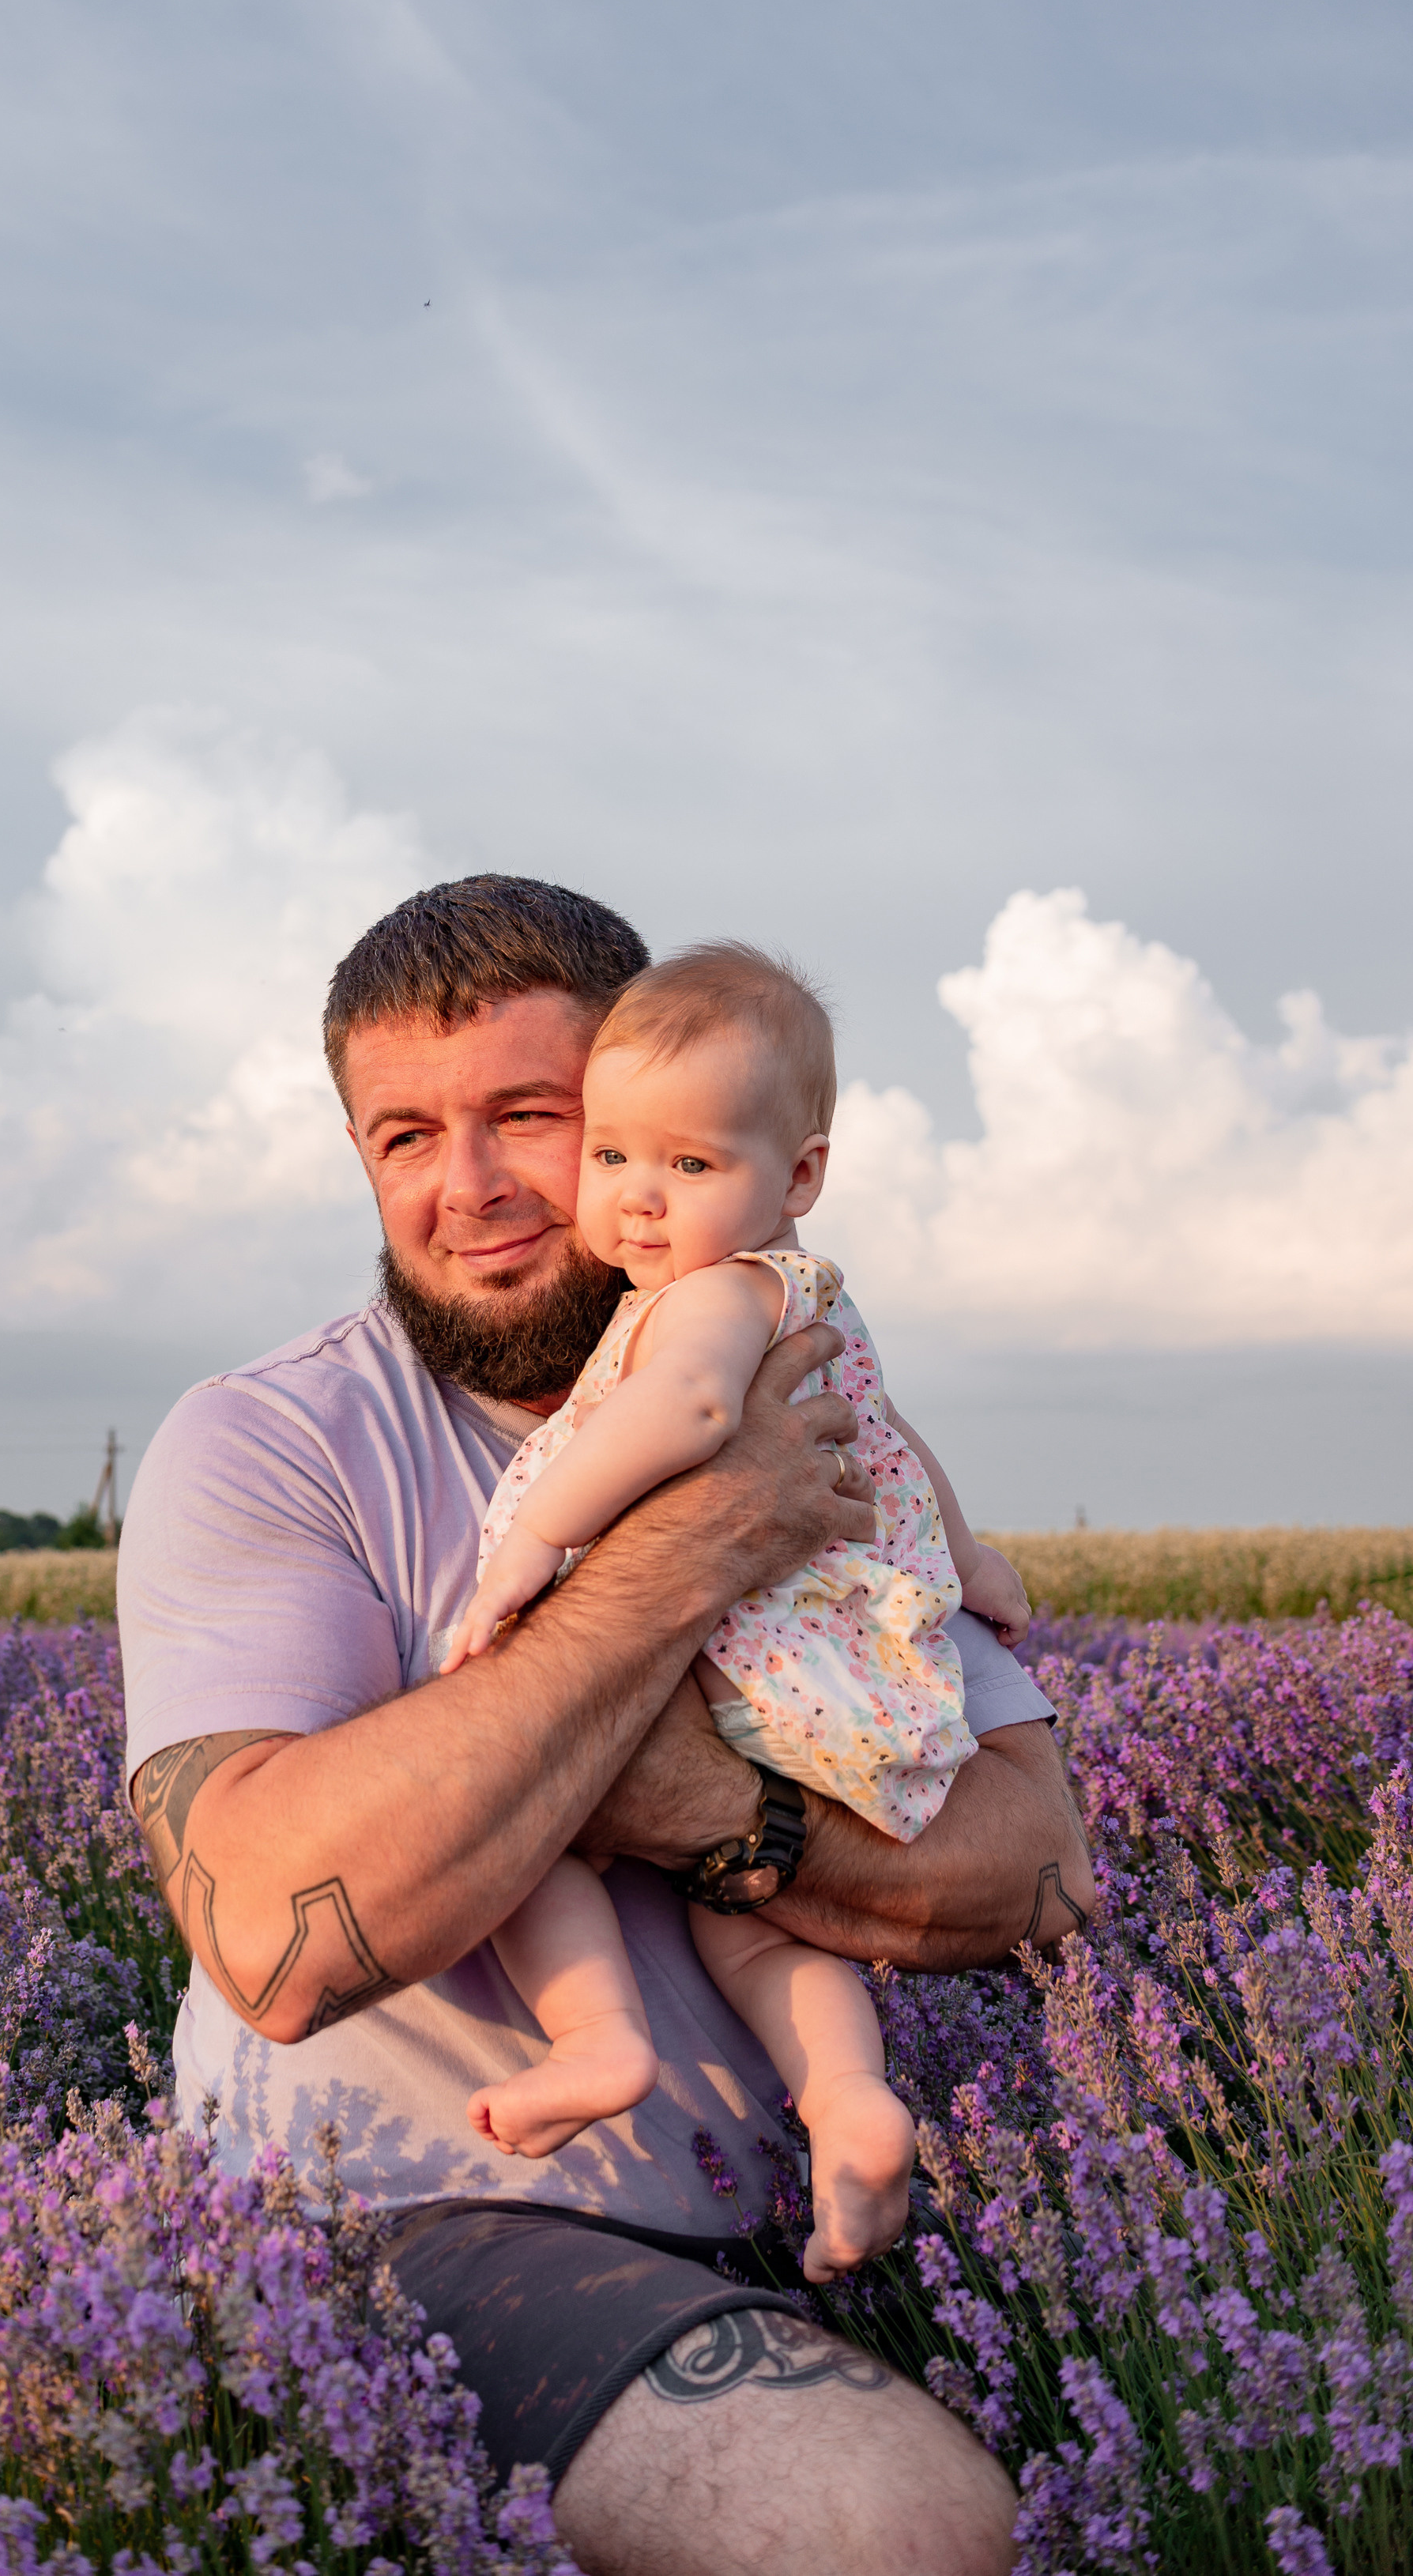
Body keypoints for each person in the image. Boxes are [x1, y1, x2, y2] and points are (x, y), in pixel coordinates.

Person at [119, 874, 1096, 2576]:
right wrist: (683, 1563)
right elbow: (277, 1934)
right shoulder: (269, 1443)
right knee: (895, 2529)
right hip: (418, 2212)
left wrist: (717, 1808)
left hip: (783, 2205)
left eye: (530, 1119)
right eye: (402, 1135)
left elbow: (1038, 1873)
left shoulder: (799, 1387)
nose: (469, 1187)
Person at [440, 944, 1032, 2285]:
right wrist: (974, 1558)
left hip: (750, 1664)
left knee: (541, 1818)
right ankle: (847, 2102)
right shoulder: (814, 1300)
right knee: (760, 1923)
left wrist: (539, 1532)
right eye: (613, 1160)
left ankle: (596, 2038)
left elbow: (694, 1413)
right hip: (852, 1685)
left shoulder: (714, 1301)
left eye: (691, 1169)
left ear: (799, 1177)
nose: (640, 1202)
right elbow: (898, 1440)